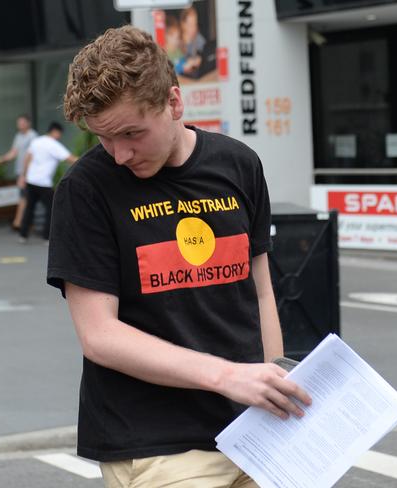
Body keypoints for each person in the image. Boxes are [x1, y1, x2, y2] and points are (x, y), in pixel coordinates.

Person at [48, 25, 311, 487]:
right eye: (103, 138)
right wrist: (227, 376)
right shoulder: (86, 190)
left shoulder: (238, 165)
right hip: (156, 445)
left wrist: (271, 390)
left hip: (251, 430)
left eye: (132, 133)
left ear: (173, 103)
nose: (119, 154)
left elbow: (261, 293)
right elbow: (100, 336)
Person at [18, 121, 77, 243]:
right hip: (44, 183)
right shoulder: (53, 145)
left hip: (31, 180)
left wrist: (23, 175)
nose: (59, 136)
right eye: (59, 133)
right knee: (51, 209)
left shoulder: (37, 141)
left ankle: (23, 235)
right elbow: (70, 159)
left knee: (29, 208)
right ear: (55, 132)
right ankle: (47, 237)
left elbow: (27, 158)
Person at [0, 114, 38, 231]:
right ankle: (27, 223)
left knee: (23, 197)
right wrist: (3, 159)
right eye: (18, 123)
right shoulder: (18, 136)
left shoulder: (33, 136)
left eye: (22, 122)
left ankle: (18, 222)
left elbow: (33, 155)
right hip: (20, 171)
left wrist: (24, 175)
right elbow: (13, 152)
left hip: (28, 173)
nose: (19, 125)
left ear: (28, 123)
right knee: (27, 197)